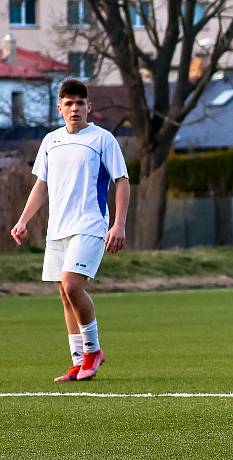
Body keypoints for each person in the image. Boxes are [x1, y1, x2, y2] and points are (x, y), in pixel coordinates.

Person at [10, 79, 129, 382]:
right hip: (57, 228)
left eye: (80, 103)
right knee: (65, 293)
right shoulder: (51, 141)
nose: (75, 108)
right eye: (69, 103)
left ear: (89, 107)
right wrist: (23, 220)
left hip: (90, 224)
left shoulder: (103, 139)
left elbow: (122, 181)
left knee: (73, 285)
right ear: (60, 107)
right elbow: (42, 185)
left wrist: (119, 224)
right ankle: (78, 362)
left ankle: (93, 352)